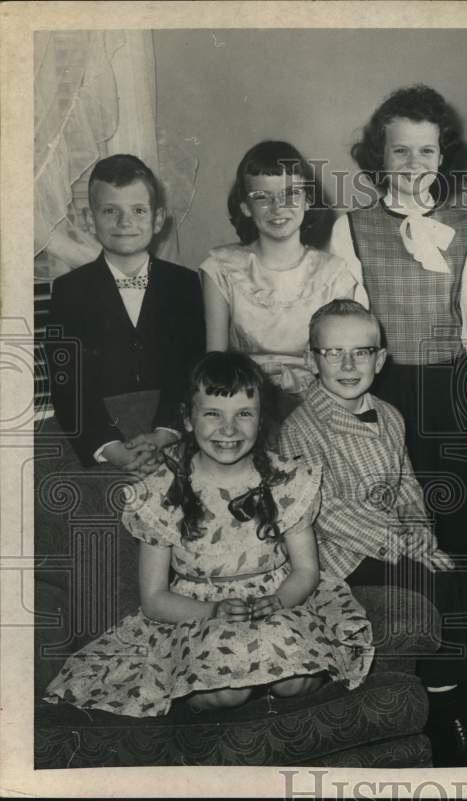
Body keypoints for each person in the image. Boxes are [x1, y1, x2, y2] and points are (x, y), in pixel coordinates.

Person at [43, 351, 373, 716]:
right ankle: (220, 691)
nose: (228, 429)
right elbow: (154, 598)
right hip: (200, 613)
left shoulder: (285, 481)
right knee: (226, 691)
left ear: (261, 420)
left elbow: (306, 571)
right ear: (188, 418)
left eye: (243, 414)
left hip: (278, 602)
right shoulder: (161, 491)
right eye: (213, 414)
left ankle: (272, 682)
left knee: (293, 681)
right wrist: (212, 610)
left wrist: (280, 601)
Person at [277, 299, 467, 765]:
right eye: (333, 353)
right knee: (430, 582)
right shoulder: (300, 429)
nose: (348, 365)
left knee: (458, 569)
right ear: (312, 360)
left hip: (397, 537)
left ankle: (461, 689)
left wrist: (420, 528)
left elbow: (407, 482)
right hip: (341, 554)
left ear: (380, 359)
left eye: (362, 352)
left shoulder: (389, 415)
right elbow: (324, 510)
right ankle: (447, 706)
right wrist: (399, 543)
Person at [330, 85, 467, 556]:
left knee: (458, 523)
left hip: (452, 394)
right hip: (383, 392)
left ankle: (463, 626)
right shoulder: (351, 227)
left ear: (443, 156)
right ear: (379, 156)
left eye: (426, 150)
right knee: (396, 524)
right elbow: (348, 337)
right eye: (400, 150)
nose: (412, 162)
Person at [46, 154, 205, 471]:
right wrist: (109, 447)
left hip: (171, 428)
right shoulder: (68, 291)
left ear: (157, 219)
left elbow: (193, 367)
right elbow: (67, 383)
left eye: (138, 210)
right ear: (89, 220)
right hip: (101, 435)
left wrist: (165, 432)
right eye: (109, 211)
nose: (124, 222)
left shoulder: (184, 284)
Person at [200, 141, 364, 417]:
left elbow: (340, 363)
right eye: (262, 196)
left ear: (309, 200)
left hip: (320, 405)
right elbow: (215, 363)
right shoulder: (222, 268)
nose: (278, 207)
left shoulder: (334, 273)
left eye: (291, 194)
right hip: (244, 403)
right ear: (245, 207)